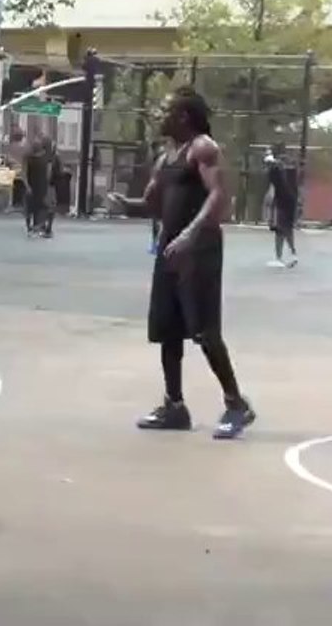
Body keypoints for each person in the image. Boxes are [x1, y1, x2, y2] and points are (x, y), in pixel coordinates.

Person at [111, 86, 256, 440]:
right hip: (170, 249)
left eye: (165, 110)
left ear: (183, 116)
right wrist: (126, 205)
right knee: (168, 329)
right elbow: (152, 204)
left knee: (205, 331)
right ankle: (174, 406)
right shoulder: (165, 158)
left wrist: (191, 234)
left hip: (199, 249)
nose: (159, 116)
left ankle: (236, 404)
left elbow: (219, 195)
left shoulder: (203, 148)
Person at [264, 147, 298, 268]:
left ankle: (280, 257)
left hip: (283, 202)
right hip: (289, 201)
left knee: (281, 229)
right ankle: (292, 253)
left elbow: (272, 192)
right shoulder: (285, 172)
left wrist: (268, 207)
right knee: (286, 229)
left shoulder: (274, 173)